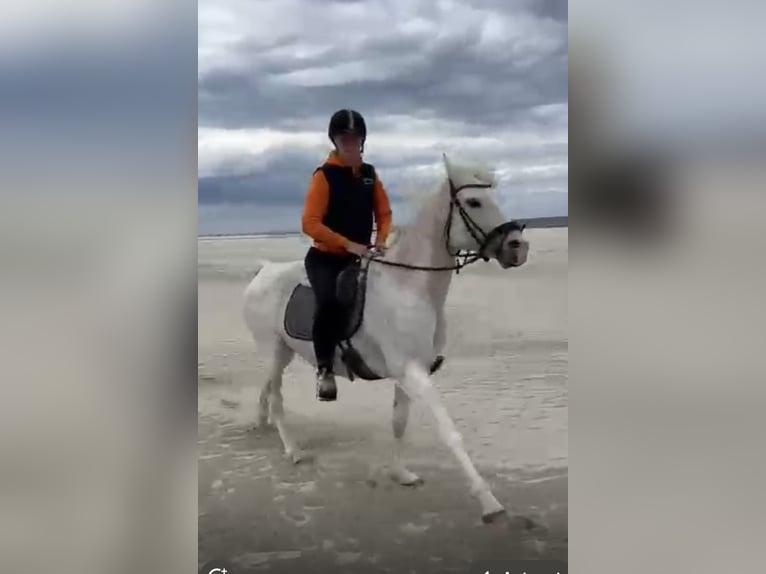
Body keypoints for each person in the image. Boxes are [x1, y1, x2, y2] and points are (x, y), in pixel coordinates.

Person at [301, 109, 393, 401]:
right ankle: (325, 370)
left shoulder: (369, 174)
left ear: (363, 141)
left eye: (356, 138)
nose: (351, 143)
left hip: (362, 256)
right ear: (336, 141)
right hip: (325, 258)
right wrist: (347, 244)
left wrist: (380, 241)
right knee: (329, 302)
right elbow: (310, 223)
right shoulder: (324, 176)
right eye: (345, 138)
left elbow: (384, 213)